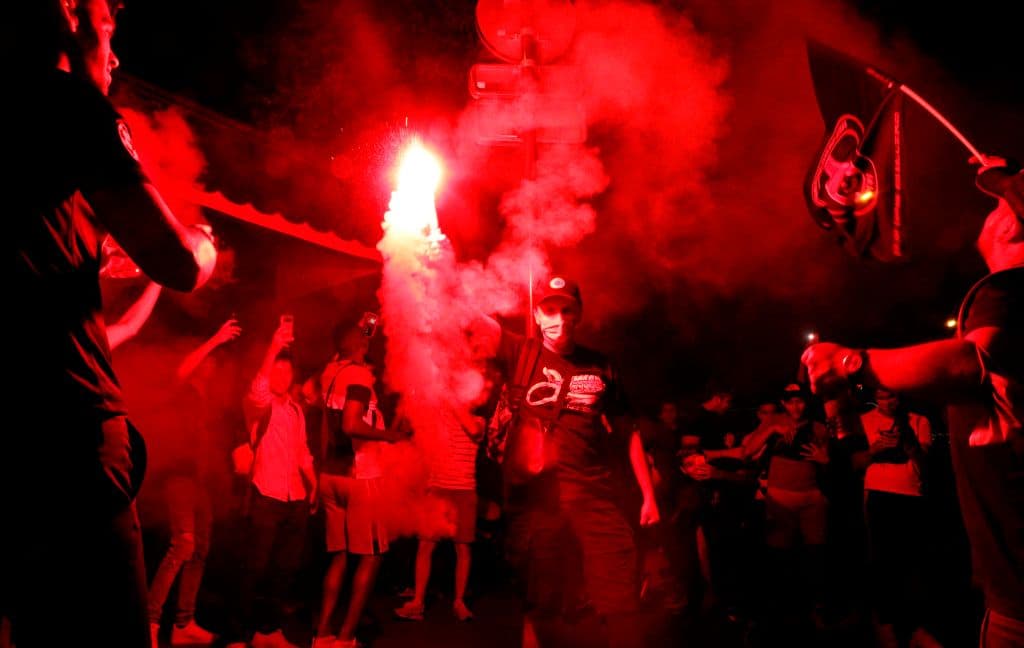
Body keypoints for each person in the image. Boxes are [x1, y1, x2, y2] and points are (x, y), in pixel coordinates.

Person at [5, 1, 217, 646]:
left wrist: (97, 254)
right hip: (63, 441)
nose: (115, 54)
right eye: (108, 26)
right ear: (69, 14)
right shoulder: (64, 103)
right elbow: (176, 261)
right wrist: (203, 247)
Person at [802, 166, 1023, 646]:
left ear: (1010, 227)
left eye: (998, 205)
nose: (991, 213)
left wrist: (851, 362)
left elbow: (969, 363)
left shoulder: (1012, 290)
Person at [481, 275, 659, 648]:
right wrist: (431, 251)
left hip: (593, 495)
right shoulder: (520, 352)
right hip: (536, 502)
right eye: (550, 309)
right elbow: (467, 318)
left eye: (567, 309)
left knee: (620, 595)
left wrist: (648, 495)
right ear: (537, 315)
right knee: (540, 601)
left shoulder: (601, 366)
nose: (559, 318)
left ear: (579, 314)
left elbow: (629, 432)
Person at [147, 318, 241, 647]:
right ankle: (151, 622)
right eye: (208, 359)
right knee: (183, 545)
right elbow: (183, 369)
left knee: (200, 550)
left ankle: (184, 623)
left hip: (201, 483)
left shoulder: (208, 401)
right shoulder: (182, 389)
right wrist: (215, 338)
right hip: (178, 478)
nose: (212, 365)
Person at [313, 322, 408, 648]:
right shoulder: (359, 377)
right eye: (366, 343)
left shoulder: (330, 372)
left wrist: (363, 331)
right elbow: (351, 424)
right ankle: (345, 638)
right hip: (360, 477)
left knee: (338, 556)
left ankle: (322, 634)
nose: (370, 348)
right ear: (358, 348)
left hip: (330, 477)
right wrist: (390, 436)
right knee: (371, 556)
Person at [224, 321, 317, 648]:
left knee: (285, 570)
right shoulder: (257, 405)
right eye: (276, 372)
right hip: (266, 494)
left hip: (295, 498)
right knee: (253, 570)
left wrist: (313, 483)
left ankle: (270, 630)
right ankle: (238, 634)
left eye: (286, 372)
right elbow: (259, 386)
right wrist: (274, 345)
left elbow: (303, 450)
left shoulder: (295, 410)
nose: (281, 377)